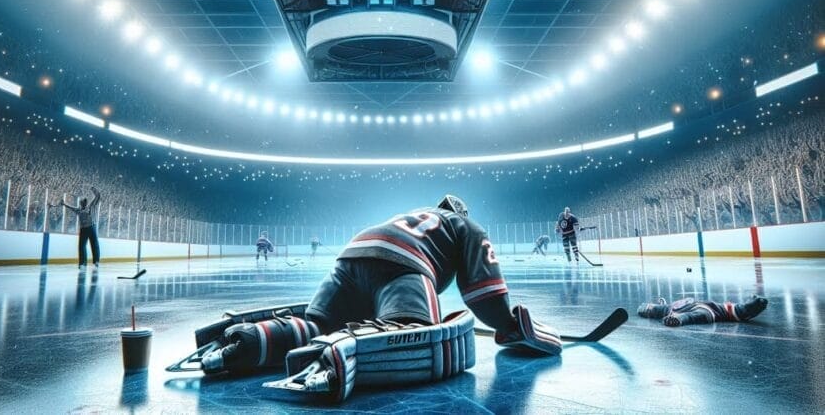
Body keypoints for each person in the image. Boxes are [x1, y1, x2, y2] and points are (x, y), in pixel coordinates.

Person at [181, 194, 562, 402]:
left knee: (318, 323)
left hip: (351, 257)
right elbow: (485, 295)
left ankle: (240, 344)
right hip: (402, 264)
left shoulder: (414, 213)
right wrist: (511, 326)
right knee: (412, 332)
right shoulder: (466, 225)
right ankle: (338, 360)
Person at [638, 295, 768, 327]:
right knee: (650, 308)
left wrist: (677, 319)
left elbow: (690, 317)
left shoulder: (708, 313)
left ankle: (648, 308)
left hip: (677, 310)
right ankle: (648, 308)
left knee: (649, 309)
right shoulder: (721, 308)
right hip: (680, 307)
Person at [54, 187, 101, 268]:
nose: (81, 203)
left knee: (94, 244)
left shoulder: (91, 206)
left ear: (85, 203)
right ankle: (83, 263)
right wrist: (64, 204)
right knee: (82, 246)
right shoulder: (79, 210)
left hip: (91, 227)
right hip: (83, 229)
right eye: (81, 202)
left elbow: (98, 196)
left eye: (82, 202)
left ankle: (96, 261)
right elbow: (71, 208)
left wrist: (93, 189)